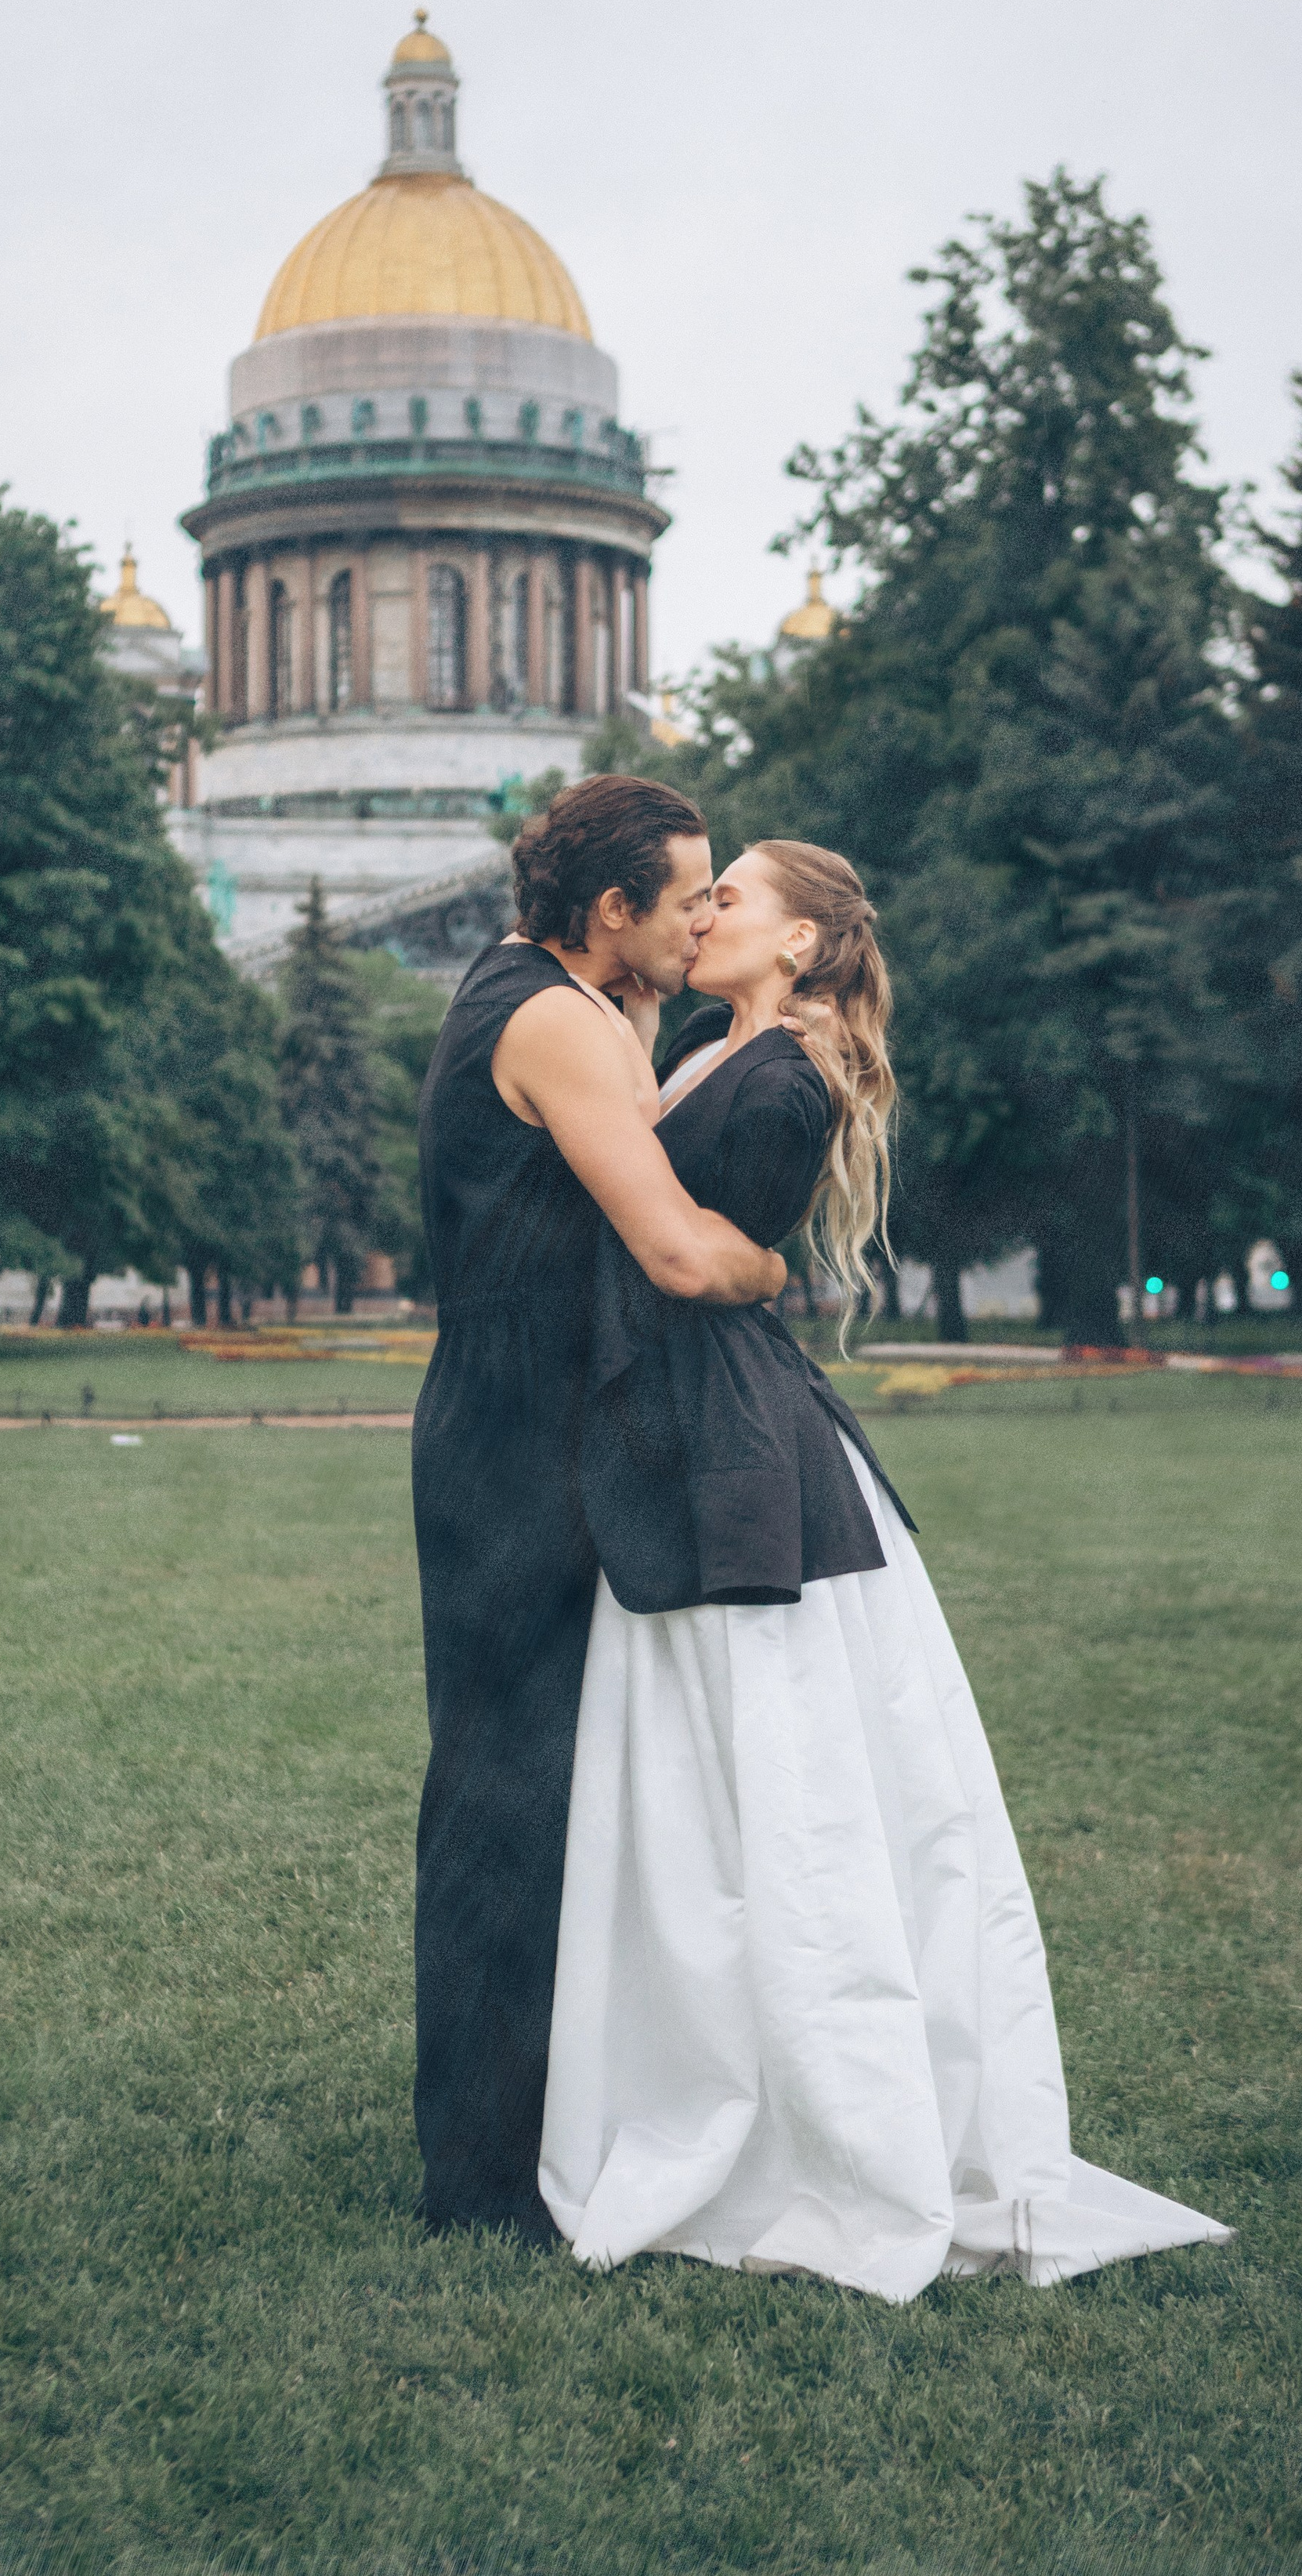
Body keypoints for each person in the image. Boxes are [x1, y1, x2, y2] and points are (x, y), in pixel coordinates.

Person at [539, 838, 1231, 2298]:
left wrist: (743, 1264)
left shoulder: (784, 1073)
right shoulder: (714, 1049)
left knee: (780, 1788)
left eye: (734, 893)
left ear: (799, 945)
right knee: (720, 1785)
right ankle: (722, 2079)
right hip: (690, 1424)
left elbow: (717, 1252)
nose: (706, 906)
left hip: (727, 1442)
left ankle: (806, 2122)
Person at [410, 774, 788, 2244]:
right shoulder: (555, 1018)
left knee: (588, 1792)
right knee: (507, 1794)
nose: (706, 915)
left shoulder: (604, 1002)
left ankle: (562, 2130)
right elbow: (686, 1260)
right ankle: (480, 2182)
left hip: (561, 1420)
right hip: (515, 1441)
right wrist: (775, 1267)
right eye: (686, 894)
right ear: (609, 909)